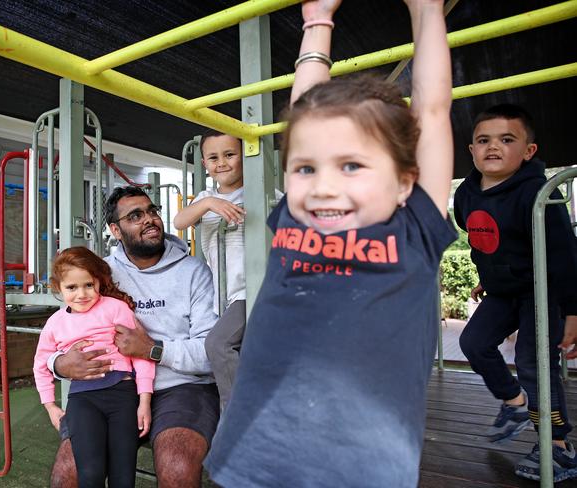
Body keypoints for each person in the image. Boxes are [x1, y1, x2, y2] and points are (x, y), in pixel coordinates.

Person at [205, 0, 456, 486]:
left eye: (352, 166)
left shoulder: (414, 231)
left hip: (364, 466)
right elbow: (303, 115)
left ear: (406, 181)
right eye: (306, 169)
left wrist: (426, 10)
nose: (323, 186)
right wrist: (317, 19)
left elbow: (432, 108)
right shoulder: (295, 227)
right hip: (256, 455)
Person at [48, 186, 219, 488]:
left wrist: (153, 350)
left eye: (152, 211)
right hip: (112, 388)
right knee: (68, 473)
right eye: (135, 216)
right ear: (115, 229)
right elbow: (62, 332)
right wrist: (60, 364)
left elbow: (210, 353)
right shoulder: (98, 273)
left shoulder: (193, 271)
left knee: (177, 468)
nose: (149, 219)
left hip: (180, 386)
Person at [454, 103, 577, 482]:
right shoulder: (466, 196)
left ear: (528, 152)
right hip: (504, 291)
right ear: (471, 150)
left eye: (507, 139)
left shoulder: (538, 194)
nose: (493, 147)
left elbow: (564, 256)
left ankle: (558, 447)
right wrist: (485, 277)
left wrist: (573, 311)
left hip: (543, 293)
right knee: (474, 343)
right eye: (484, 140)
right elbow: (485, 244)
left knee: (532, 364)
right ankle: (515, 403)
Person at [174, 130, 281, 411]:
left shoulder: (261, 191)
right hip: (226, 293)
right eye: (213, 157)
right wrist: (210, 203)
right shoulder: (205, 197)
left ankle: (235, 417)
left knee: (218, 344)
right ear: (204, 163)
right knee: (242, 351)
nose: (221, 162)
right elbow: (179, 221)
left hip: (256, 287)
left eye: (229, 154)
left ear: (245, 156)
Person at [33, 246, 155, 487]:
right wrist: (50, 406)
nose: (82, 294)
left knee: (123, 476)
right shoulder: (55, 323)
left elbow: (141, 355)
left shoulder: (116, 308)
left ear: (98, 281)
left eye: (88, 284)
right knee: (90, 474)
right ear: (59, 288)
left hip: (122, 396)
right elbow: (40, 365)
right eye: (71, 287)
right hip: (83, 400)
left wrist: (144, 401)